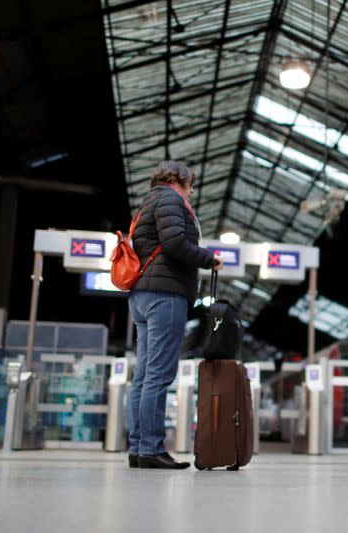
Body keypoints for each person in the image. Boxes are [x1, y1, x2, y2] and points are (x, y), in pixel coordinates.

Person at [127, 160, 223, 469]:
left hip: (142, 295)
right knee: (158, 374)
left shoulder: (147, 203)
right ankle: (152, 448)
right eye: (190, 184)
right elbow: (174, 243)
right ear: (177, 180)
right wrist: (209, 259)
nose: (192, 191)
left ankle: (139, 448)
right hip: (165, 296)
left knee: (142, 376)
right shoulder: (169, 199)